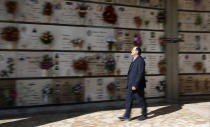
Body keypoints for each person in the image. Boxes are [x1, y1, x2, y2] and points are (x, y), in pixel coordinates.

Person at [118, 46, 147, 121]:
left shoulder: (140, 60)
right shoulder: (134, 60)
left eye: (132, 50)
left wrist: (135, 85)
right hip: (131, 84)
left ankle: (144, 115)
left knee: (140, 100)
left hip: (137, 85)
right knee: (128, 100)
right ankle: (127, 116)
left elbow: (140, 73)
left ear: (137, 52)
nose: (131, 51)